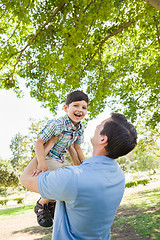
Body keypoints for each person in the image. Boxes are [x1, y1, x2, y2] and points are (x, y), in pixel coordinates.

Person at [20, 112, 137, 240]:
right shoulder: (118, 176)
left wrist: (46, 147)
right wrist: (70, 146)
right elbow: (83, 167)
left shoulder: (73, 178)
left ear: (103, 139)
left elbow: (25, 179)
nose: (96, 126)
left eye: (100, 125)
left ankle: (41, 205)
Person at [29, 90, 89, 228]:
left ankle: (52, 203)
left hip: (61, 158)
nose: (80, 110)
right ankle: (41, 204)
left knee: (75, 180)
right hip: (48, 156)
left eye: (84, 107)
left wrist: (85, 166)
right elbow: (38, 143)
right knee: (62, 181)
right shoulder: (57, 124)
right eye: (76, 105)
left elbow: (77, 148)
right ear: (66, 108)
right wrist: (41, 164)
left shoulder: (80, 128)